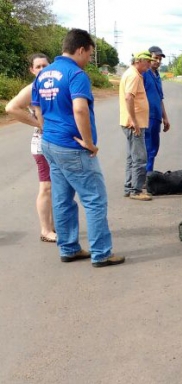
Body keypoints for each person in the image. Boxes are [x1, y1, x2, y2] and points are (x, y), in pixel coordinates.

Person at [31, 28, 124, 267]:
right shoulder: (75, 74)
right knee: (94, 199)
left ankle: (69, 248)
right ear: (80, 49)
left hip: (49, 143)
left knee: (62, 200)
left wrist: (48, 130)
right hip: (73, 146)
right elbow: (80, 109)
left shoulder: (43, 74)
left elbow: (38, 110)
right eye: (89, 54)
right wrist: (89, 143)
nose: (89, 59)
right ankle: (102, 253)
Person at [6, 53, 57, 243]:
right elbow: (11, 108)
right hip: (41, 144)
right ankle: (45, 230)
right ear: (32, 70)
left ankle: (51, 226)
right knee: (46, 187)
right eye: (38, 67)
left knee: (54, 187)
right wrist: (38, 124)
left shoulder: (51, 86)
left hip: (54, 142)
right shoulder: (32, 87)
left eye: (46, 65)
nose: (43, 69)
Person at [119, 50, 153, 201]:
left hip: (132, 122)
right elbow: (128, 97)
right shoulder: (133, 75)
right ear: (138, 61)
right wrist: (134, 120)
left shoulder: (132, 74)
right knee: (140, 158)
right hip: (134, 124)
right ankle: (136, 190)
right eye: (147, 61)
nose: (149, 64)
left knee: (131, 157)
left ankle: (129, 187)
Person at [143, 45, 170, 172]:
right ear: (149, 58)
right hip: (146, 117)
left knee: (154, 147)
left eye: (160, 59)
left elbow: (160, 99)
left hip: (156, 118)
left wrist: (165, 117)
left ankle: (149, 173)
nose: (158, 61)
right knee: (147, 147)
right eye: (155, 58)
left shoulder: (157, 76)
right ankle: (145, 176)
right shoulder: (144, 73)